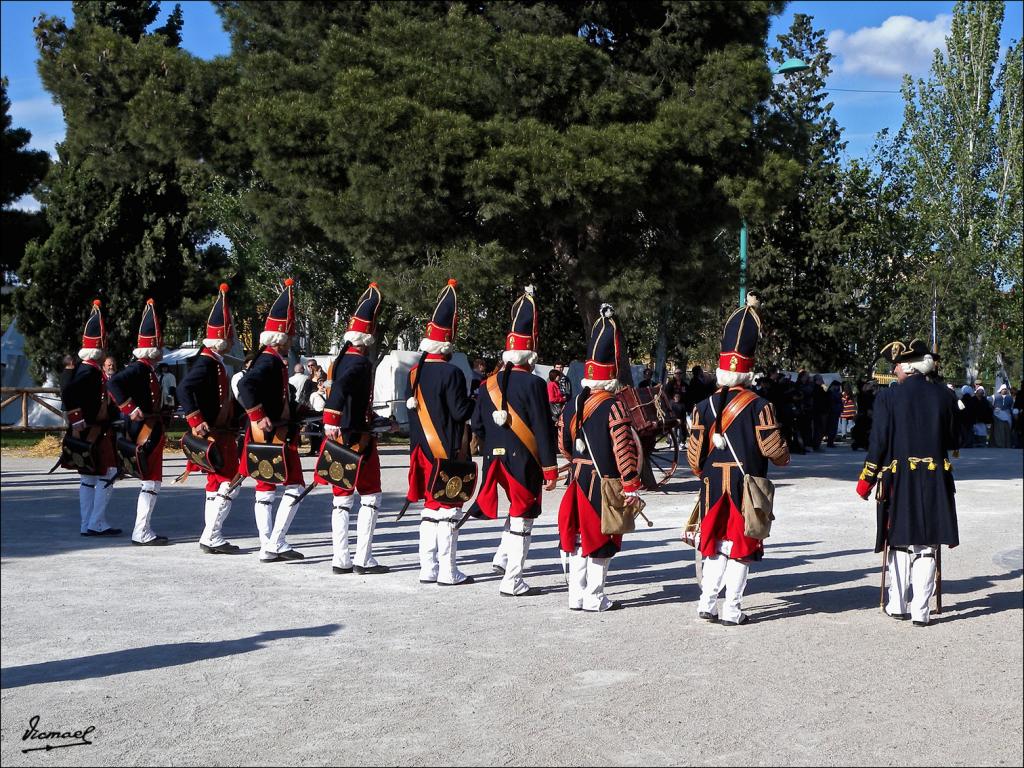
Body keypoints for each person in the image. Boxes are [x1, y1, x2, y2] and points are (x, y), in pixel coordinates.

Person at [686, 294, 790, 626]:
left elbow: (693, 457)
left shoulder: (703, 407)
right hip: (746, 487)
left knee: (714, 545)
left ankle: (706, 601)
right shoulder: (760, 405)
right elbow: (776, 451)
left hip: (713, 486)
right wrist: (783, 456)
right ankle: (731, 608)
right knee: (741, 548)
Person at [856, 338, 958, 627]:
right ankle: (921, 611)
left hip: (899, 477)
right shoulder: (944, 395)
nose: (895, 369)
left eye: (897, 365)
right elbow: (955, 440)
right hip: (936, 476)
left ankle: (898, 603)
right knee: (926, 545)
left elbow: (878, 442)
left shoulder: (889, 397)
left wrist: (867, 478)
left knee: (899, 540)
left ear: (907, 366)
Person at [468, 287, 558, 597]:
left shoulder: (487, 383)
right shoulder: (535, 383)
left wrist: (495, 440)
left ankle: (501, 557)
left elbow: (477, 425)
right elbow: (544, 429)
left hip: (494, 457)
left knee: (515, 511)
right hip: (524, 460)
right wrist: (550, 468)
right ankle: (513, 579)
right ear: (530, 354)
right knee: (524, 514)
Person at [557, 303, 641, 612]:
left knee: (579, 537)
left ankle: (575, 595)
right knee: (602, 539)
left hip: (577, 479)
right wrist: (630, 483)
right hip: (602, 481)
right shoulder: (614, 406)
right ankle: (594, 596)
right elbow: (623, 448)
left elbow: (563, 445)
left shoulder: (571, 405)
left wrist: (575, 460)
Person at [405, 279, 477, 586]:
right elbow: (461, 412)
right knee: (448, 508)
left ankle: (427, 567)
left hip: (421, 449)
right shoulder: (452, 372)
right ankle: (448, 571)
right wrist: (476, 400)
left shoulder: (414, 372)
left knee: (430, 508)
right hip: (445, 448)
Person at [319, 282, 388, 575]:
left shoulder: (343, 358)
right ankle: (363, 558)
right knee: (371, 496)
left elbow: (351, 398)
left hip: (347, 432)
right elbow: (342, 390)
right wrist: (331, 417)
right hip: (356, 438)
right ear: (368, 335)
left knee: (342, 499)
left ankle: (340, 558)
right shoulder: (358, 363)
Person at [236, 278, 306, 563]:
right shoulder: (268, 361)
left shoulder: (273, 360)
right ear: (281, 338)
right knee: (295, 487)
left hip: (272, 432)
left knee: (265, 489)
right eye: (290, 335)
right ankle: (275, 542)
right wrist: (259, 415)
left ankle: (268, 544)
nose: (292, 339)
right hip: (274, 434)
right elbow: (245, 387)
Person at [177, 283, 243, 555]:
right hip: (214, 431)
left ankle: (210, 534)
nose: (232, 341)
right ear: (222, 339)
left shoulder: (213, 361)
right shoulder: (206, 362)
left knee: (215, 483)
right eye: (229, 336)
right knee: (230, 481)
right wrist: (195, 419)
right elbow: (184, 389)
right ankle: (211, 535)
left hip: (221, 430)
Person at [108, 299, 169, 546]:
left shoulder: (147, 370)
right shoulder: (139, 369)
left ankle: (143, 530)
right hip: (144, 430)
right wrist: (130, 408)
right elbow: (113, 383)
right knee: (151, 480)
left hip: (150, 427)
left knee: (151, 481)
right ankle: (141, 531)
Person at [61, 300, 121, 537]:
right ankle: (96, 522)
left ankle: (88, 523)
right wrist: (76, 421)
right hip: (91, 429)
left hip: (91, 427)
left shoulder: (90, 369)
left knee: (88, 476)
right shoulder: (87, 371)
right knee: (108, 472)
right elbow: (68, 392)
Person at [991, 384, 1013, 448]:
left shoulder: (1009, 397)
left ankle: (1007, 444)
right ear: (1000, 390)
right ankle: (999, 444)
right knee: (998, 431)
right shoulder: (994, 396)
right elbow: (989, 402)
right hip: (997, 415)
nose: (1005, 390)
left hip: (1007, 416)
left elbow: (1011, 406)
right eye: (1003, 389)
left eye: (1006, 389)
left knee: (1007, 431)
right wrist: (994, 408)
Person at [825, 379, 842, 448]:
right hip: (833, 411)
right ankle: (830, 442)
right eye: (837, 386)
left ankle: (831, 441)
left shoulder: (835, 393)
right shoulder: (831, 393)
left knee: (834, 427)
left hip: (836, 411)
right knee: (832, 427)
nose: (838, 388)